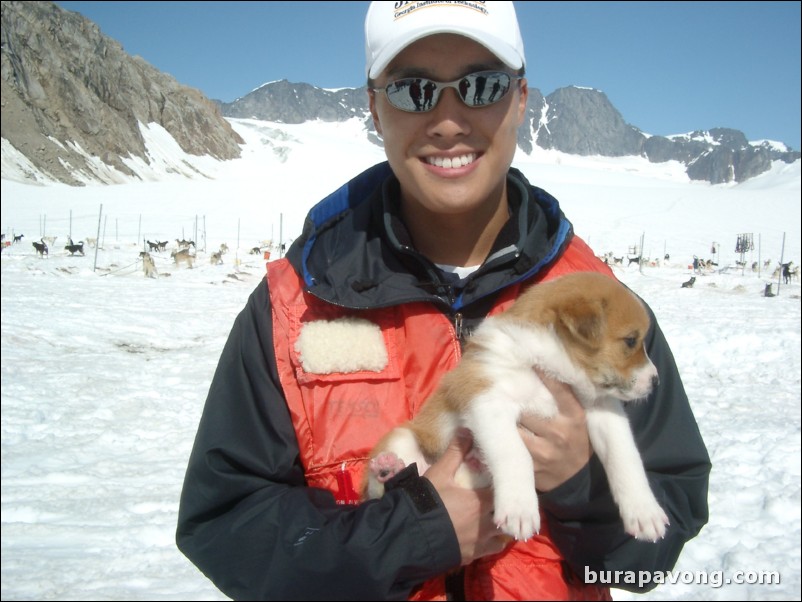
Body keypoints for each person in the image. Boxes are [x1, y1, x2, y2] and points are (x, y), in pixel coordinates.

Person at [176, 2, 711, 600]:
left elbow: (655, 551)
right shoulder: (294, 304)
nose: (449, 120)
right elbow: (224, 525)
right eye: (412, 90)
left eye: (481, 86)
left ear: (522, 100)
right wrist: (412, 535)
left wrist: (580, 486)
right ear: (374, 107)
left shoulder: (601, 307)